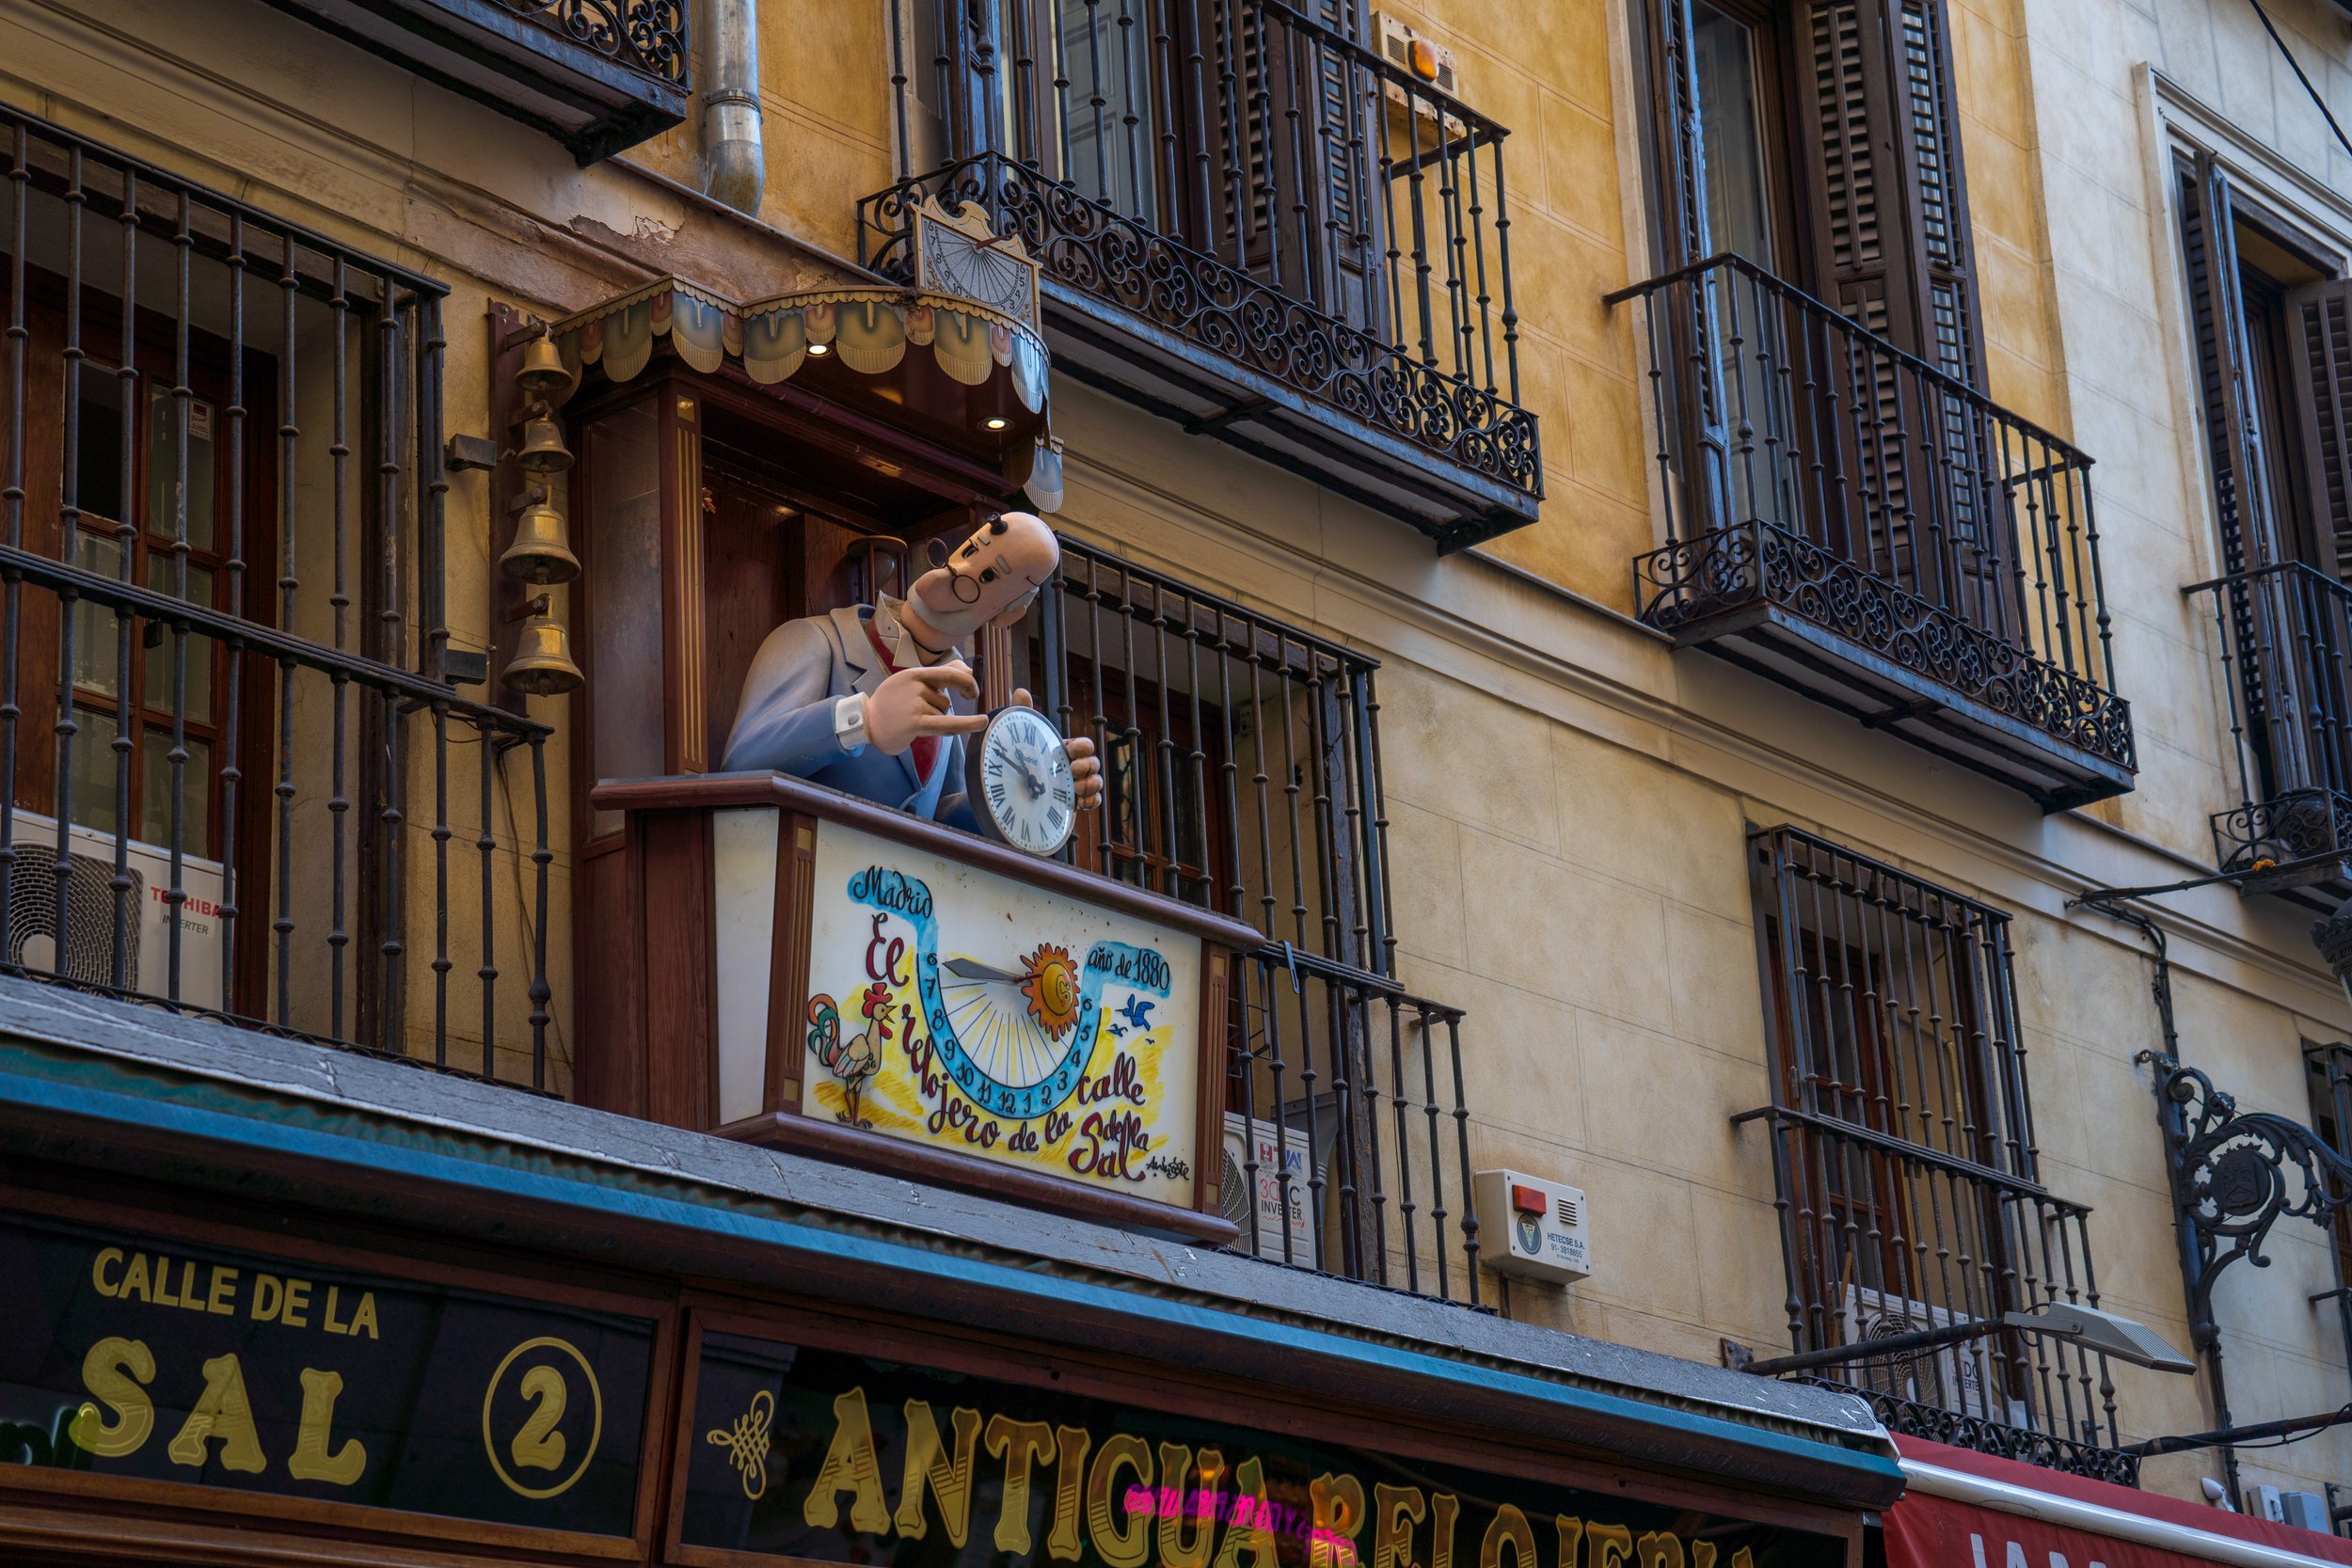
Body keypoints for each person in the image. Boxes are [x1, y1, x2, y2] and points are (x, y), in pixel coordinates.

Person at [720, 511, 1104, 830]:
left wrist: (1029, 790)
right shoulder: (815, 641)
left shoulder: (949, 705)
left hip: (898, 909)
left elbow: (939, 817)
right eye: (972, 551)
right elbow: (742, 763)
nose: (961, 576)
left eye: (990, 578)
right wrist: (861, 720)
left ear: (1007, 614)